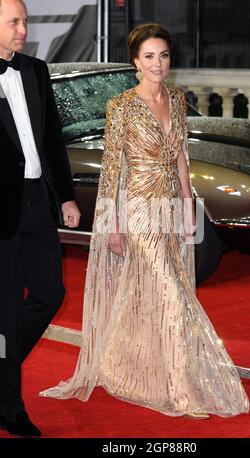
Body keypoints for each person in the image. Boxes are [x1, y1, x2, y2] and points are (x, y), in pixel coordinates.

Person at [40, 23, 249, 419]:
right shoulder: (121, 106)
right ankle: (178, 388)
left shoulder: (177, 98)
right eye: (149, 56)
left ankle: (134, 361)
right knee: (173, 295)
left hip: (169, 207)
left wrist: (188, 203)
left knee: (161, 291)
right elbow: (112, 170)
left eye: (164, 55)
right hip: (137, 210)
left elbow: (181, 154)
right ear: (136, 61)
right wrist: (111, 223)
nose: (158, 64)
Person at [0, 0, 80, 437]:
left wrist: (65, 197)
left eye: (25, 20)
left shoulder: (35, 69)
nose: (23, 29)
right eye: (14, 21)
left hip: (38, 202)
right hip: (1, 213)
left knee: (50, 294)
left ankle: (2, 365)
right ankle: (10, 407)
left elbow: (52, 138)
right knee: (6, 312)